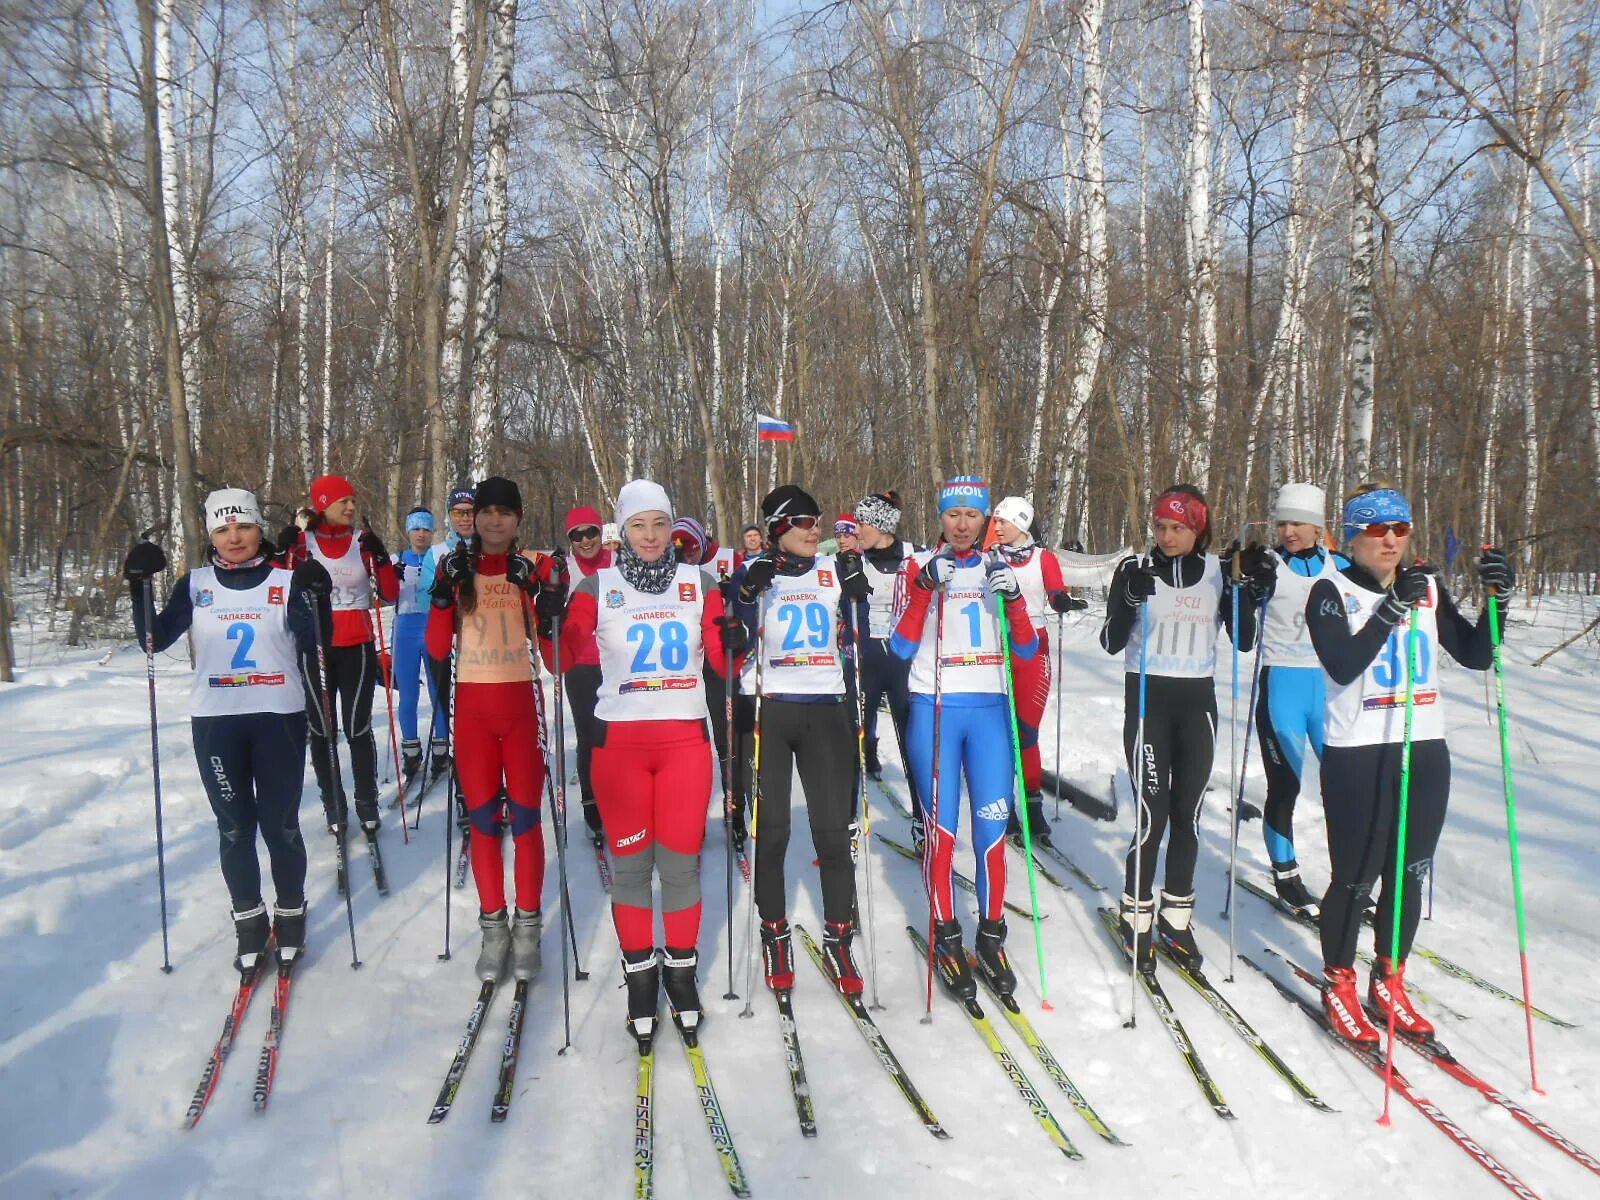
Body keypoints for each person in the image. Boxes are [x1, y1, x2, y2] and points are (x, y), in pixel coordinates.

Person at [542, 479, 747, 1041]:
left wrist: (737, 638)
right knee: (631, 871)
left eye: (660, 523)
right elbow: (562, 657)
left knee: (681, 868)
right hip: (620, 750)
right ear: (623, 530)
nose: (652, 536)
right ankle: (639, 976)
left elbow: (725, 667)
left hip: (684, 746)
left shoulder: (696, 581)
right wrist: (550, 619)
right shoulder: (597, 585)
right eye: (639, 525)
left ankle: (680, 972)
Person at [1305, 484, 1507, 1043]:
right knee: (1356, 876)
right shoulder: (1329, 590)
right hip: (1358, 752)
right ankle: (1339, 982)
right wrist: (1391, 609)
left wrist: (1497, 602)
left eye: (1399, 528)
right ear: (1351, 537)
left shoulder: (1427, 588)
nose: (1391, 539)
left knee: (1410, 873)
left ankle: (1387, 979)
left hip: (1425, 748)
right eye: (1376, 529)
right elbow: (1343, 664)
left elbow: (1475, 653)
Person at [126, 489, 322, 974]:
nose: (234, 537)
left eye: (244, 527)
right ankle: (250, 924)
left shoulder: (285, 580)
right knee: (235, 828)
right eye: (222, 529)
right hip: (217, 721)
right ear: (212, 534)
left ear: (259, 528)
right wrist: (138, 585)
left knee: (281, 826)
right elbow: (153, 640)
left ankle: (292, 915)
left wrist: (318, 597)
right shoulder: (195, 584)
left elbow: (320, 641)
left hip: (278, 716)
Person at [1099, 485, 1262, 971]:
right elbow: (1109, 640)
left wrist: (1243, 591)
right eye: (1161, 527)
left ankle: (1175, 919)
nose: (1167, 537)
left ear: (1198, 529)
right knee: (1152, 816)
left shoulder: (1216, 573)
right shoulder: (1134, 569)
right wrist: (1127, 599)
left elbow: (1246, 639)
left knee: (1188, 816)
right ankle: (1136, 918)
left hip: (1197, 705)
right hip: (1148, 700)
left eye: (1178, 528)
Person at [891, 475, 1036, 999]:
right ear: (940, 518)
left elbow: (1025, 652)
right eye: (953, 515)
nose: (962, 524)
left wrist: (1017, 602)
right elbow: (901, 647)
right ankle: (948, 934)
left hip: (990, 711)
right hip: (936, 709)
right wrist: (925, 589)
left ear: (986, 521)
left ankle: (992, 935)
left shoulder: (1001, 567)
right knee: (942, 831)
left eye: (972, 515)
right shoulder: (916, 567)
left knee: (992, 833)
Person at [733, 485, 872, 994]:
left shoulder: (833, 568)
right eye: (803, 522)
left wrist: (860, 584)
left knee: (833, 833)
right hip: (773, 711)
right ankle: (774, 931)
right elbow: (734, 636)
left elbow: (867, 609)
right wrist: (747, 595)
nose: (815, 529)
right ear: (776, 529)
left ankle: (839, 935)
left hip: (828, 710)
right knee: (771, 833)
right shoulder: (756, 574)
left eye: (817, 520)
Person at [425, 476, 551, 984]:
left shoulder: (535, 566)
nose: (495, 519)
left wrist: (544, 595)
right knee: (481, 822)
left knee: (524, 821)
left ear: (519, 518)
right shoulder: (454, 567)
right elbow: (436, 649)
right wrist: (440, 593)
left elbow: (557, 657)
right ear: (472, 518)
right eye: (486, 511)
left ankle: (528, 927)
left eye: (505, 511)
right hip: (473, 709)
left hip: (521, 706)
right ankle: (493, 927)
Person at [276, 475, 398, 837]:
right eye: (342, 501)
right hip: (315, 646)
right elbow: (280, 589)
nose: (350, 507)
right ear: (322, 504)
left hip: (358, 644)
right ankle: (333, 802)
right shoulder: (304, 542)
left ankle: (366, 800)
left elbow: (389, 593)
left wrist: (381, 557)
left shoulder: (361, 542)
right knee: (321, 729)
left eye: (352, 501)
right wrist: (281, 554)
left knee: (357, 727)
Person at [1252, 483, 1350, 915]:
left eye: (1297, 523)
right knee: (1286, 786)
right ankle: (1287, 876)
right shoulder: (1269, 565)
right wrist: (1245, 586)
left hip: (1331, 691)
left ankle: (1348, 879)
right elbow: (1238, 626)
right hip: (1282, 686)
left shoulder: (1343, 565)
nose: (1288, 530)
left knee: (1346, 788)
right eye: (1282, 522)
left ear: (1317, 526)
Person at [989, 495, 1088, 844]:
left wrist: (1063, 602)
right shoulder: (990, 556)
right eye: (995, 520)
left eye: (1004, 521)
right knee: (1001, 734)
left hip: (1032, 647)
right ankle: (1006, 808)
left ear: (1022, 524)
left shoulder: (1043, 558)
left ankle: (1032, 807)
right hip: (995, 646)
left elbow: (1055, 591)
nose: (996, 526)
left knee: (1027, 733)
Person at [672, 516, 747, 849]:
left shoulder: (729, 559)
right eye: (678, 549)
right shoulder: (670, 569)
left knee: (727, 738)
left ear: (701, 542)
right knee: (689, 741)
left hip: (719, 658)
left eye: (689, 547)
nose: (685, 555)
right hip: (686, 663)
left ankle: (735, 810)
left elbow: (750, 599)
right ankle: (689, 816)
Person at [852, 492, 921, 810]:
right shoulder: (854, 562)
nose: (856, 530)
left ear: (881, 524)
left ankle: (923, 816)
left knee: (912, 741)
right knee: (858, 733)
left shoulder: (916, 557)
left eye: (861, 523)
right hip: (868, 658)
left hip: (905, 660)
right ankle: (850, 816)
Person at [560, 504, 613, 847]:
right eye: (576, 535)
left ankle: (619, 798)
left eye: (591, 532)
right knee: (589, 735)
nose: (585, 540)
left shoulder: (619, 565)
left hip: (617, 660)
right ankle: (592, 805)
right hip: (580, 662)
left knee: (617, 734)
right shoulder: (564, 570)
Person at [392, 507, 448, 782]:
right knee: (409, 694)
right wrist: (387, 575)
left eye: (426, 529)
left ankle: (440, 748)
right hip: (405, 631)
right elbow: (387, 594)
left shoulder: (438, 558)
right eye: (416, 528)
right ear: (408, 530)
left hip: (432, 627)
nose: (421, 534)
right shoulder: (396, 558)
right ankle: (411, 751)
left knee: (438, 690)